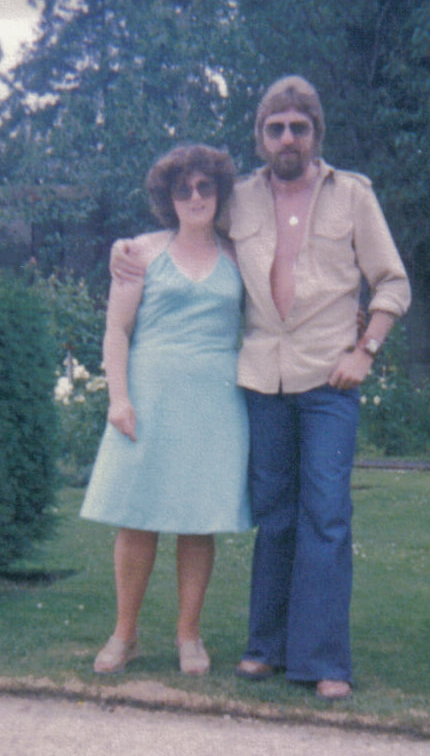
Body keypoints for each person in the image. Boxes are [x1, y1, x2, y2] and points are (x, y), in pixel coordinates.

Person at [110, 76, 411, 698]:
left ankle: (324, 661)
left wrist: (366, 350)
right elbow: (186, 229)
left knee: (326, 513)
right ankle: (265, 649)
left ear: (315, 133)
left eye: (299, 127)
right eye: (276, 128)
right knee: (275, 517)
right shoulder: (239, 199)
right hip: (261, 380)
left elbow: (392, 282)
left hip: (330, 378)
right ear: (261, 137)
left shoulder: (353, 195)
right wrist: (127, 248)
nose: (287, 138)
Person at [80, 144, 251, 677]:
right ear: (168, 198)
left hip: (215, 403)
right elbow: (117, 330)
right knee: (137, 519)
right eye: (183, 189)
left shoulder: (240, 255)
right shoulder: (140, 252)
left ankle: (188, 635)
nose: (195, 197)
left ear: (219, 192)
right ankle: (124, 635)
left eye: (205, 187)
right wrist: (119, 399)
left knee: (198, 523)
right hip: (149, 398)